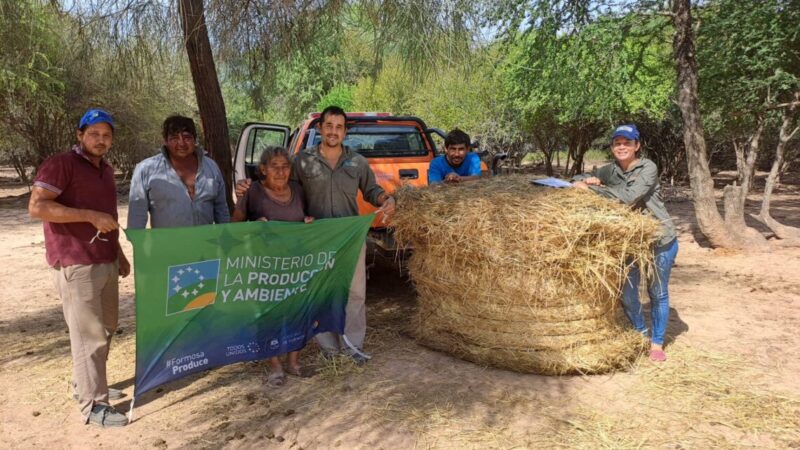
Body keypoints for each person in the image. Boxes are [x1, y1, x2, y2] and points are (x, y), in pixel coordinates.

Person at [236, 105, 396, 364]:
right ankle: (330, 350)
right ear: (320, 128)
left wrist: (385, 199)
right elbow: (282, 189)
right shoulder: (301, 160)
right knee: (321, 293)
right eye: (329, 126)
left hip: (349, 237)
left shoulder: (357, 162)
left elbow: (371, 190)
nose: (333, 131)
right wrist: (250, 186)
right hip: (316, 239)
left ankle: (353, 348)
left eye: (339, 127)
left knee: (354, 293)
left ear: (345, 132)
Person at [28, 108, 131, 427]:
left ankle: (85, 385)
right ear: (79, 134)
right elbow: (37, 206)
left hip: (105, 259)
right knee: (88, 335)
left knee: (106, 326)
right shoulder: (61, 164)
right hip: (75, 261)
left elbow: (107, 216)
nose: (100, 140)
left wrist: (119, 253)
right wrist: (88, 215)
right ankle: (94, 406)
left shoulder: (105, 170)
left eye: (106, 135)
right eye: (94, 134)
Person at [572, 124, 678, 362]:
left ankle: (657, 343)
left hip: (659, 239)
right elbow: (578, 177)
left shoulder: (647, 167)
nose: (621, 147)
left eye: (627, 143)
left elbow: (628, 197)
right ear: (612, 147)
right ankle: (639, 334)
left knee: (657, 293)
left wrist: (591, 191)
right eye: (617, 143)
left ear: (636, 146)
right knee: (628, 293)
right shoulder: (612, 170)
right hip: (629, 242)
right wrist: (587, 179)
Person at [232, 146, 314, 387]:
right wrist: (253, 224)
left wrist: (310, 223)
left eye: (285, 166)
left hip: (295, 264)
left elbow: (307, 218)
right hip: (265, 266)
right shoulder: (253, 191)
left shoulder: (298, 190)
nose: (280, 171)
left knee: (296, 312)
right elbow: (235, 223)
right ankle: (275, 367)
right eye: (274, 167)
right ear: (263, 169)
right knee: (269, 315)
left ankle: (294, 362)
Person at [128, 115, 230, 229]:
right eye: (174, 138)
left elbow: (221, 210)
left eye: (187, 137)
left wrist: (225, 239)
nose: (181, 143)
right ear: (165, 141)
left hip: (206, 245)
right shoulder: (145, 170)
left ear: (194, 139)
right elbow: (136, 217)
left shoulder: (211, 167)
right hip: (166, 245)